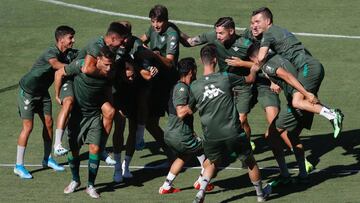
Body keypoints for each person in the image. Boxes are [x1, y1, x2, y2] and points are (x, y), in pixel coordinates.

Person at [247, 42, 344, 183]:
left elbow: (287, 76)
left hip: (298, 102)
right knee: (292, 135)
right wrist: (274, 82)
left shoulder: (269, 65)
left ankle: (285, 175)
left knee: (271, 135)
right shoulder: (275, 57)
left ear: (257, 57)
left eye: (253, 60)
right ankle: (303, 174)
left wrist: (305, 93)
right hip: (303, 102)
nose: (254, 64)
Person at [179, 17, 280, 151]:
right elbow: (190, 42)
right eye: (217, 33)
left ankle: (246, 148)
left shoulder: (245, 44)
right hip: (225, 84)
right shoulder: (213, 36)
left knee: (241, 118)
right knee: (232, 121)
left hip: (244, 85)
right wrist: (174, 29)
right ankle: (243, 143)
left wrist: (242, 63)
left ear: (231, 31)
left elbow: (261, 63)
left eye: (221, 33)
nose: (218, 36)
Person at [188, 44, 271, 202]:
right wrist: (253, 69)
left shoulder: (195, 86)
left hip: (210, 134)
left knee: (212, 162)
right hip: (232, 131)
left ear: (201, 61)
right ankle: (261, 194)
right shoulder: (225, 77)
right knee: (250, 162)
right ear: (215, 60)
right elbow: (250, 80)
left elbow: (189, 109)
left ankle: (201, 192)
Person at [249, 7, 344, 138]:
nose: (254, 26)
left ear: (268, 21)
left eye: (257, 22)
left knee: (297, 102)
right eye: (252, 23)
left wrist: (255, 67)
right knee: (304, 100)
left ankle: (333, 115)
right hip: (312, 65)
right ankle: (330, 114)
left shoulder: (269, 33)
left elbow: (260, 57)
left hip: (307, 67)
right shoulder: (280, 31)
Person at [53, 22, 130, 165]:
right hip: (73, 80)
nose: (124, 41)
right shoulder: (96, 45)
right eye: (122, 38)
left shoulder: (112, 50)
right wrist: (57, 95)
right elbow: (87, 69)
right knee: (69, 102)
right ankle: (57, 144)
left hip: (93, 86)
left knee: (110, 112)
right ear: (113, 38)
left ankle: (100, 148)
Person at [14, 25, 77, 179]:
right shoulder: (51, 51)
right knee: (28, 128)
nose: (73, 41)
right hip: (28, 92)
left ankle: (47, 158)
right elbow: (55, 65)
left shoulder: (67, 53)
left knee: (49, 123)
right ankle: (19, 165)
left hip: (42, 93)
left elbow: (83, 55)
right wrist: (75, 67)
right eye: (70, 38)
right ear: (61, 39)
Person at [55, 46, 116, 199]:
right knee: (73, 151)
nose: (109, 68)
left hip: (94, 115)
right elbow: (59, 73)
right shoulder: (81, 65)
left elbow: (108, 92)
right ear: (98, 60)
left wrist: (109, 106)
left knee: (94, 148)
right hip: (77, 115)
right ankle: (75, 180)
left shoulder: (109, 74)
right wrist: (58, 96)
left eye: (111, 64)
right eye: (106, 64)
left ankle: (90, 186)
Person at [159, 58, 214, 194]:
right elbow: (181, 112)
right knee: (211, 151)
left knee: (185, 155)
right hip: (180, 135)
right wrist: (196, 104)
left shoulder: (184, 87)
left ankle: (166, 186)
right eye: (195, 70)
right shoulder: (181, 88)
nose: (196, 72)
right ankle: (201, 182)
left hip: (175, 133)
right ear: (191, 71)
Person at [139, 4, 180, 162]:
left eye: (159, 22)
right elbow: (140, 41)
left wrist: (153, 55)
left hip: (170, 84)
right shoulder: (152, 30)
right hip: (156, 84)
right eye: (153, 21)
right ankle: (170, 153)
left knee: (178, 122)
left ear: (166, 20)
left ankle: (198, 154)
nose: (155, 25)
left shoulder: (171, 34)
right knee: (150, 122)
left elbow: (169, 63)